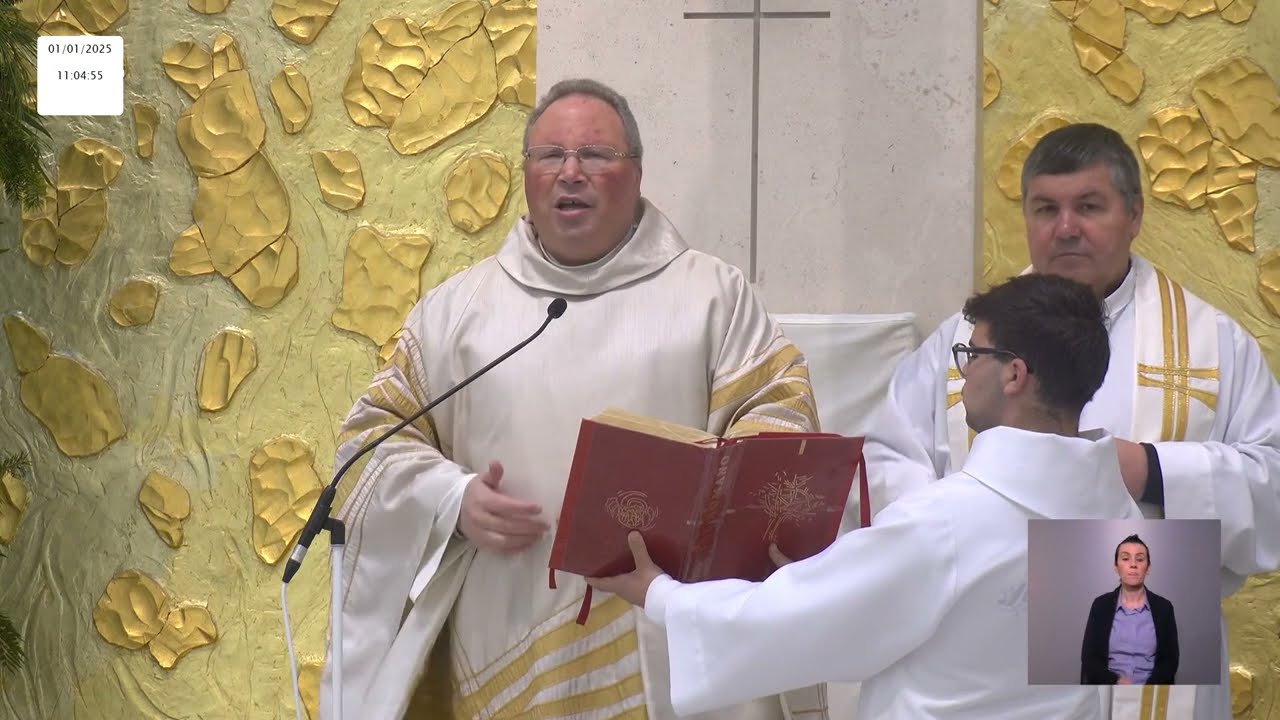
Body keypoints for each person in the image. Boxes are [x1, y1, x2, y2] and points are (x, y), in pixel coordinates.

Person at [318, 78, 825, 720]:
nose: (571, 173)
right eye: (550, 156)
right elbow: (369, 447)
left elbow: (780, 416)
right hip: (504, 622)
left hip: (665, 623)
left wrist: (708, 504)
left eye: (597, 155)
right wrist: (453, 499)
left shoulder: (711, 295)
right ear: (526, 173)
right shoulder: (458, 310)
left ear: (636, 172)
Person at [585, 273, 1144, 719]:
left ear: (1014, 374)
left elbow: (796, 623)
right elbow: (1127, 670)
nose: (964, 373)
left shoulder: (951, 521)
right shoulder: (1125, 518)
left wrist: (658, 595)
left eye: (973, 356)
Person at [863, 122, 1280, 719]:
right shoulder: (960, 344)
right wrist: (961, 542)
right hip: (993, 634)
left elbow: (1273, 480)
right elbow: (888, 465)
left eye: (1088, 206)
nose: (1065, 228)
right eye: (1045, 208)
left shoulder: (1213, 343)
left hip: (1149, 630)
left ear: (1134, 214)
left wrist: (1149, 468)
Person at [1081, 535, 1179, 685]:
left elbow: (1170, 661)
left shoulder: (1164, 608)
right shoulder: (1101, 606)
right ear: (1116, 567)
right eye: (1126, 559)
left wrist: (1147, 688)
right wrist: (1116, 682)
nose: (1133, 564)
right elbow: (1090, 658)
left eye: (1140, 559)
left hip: (1150, 691)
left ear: (1148, 568)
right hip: (1110, 690)